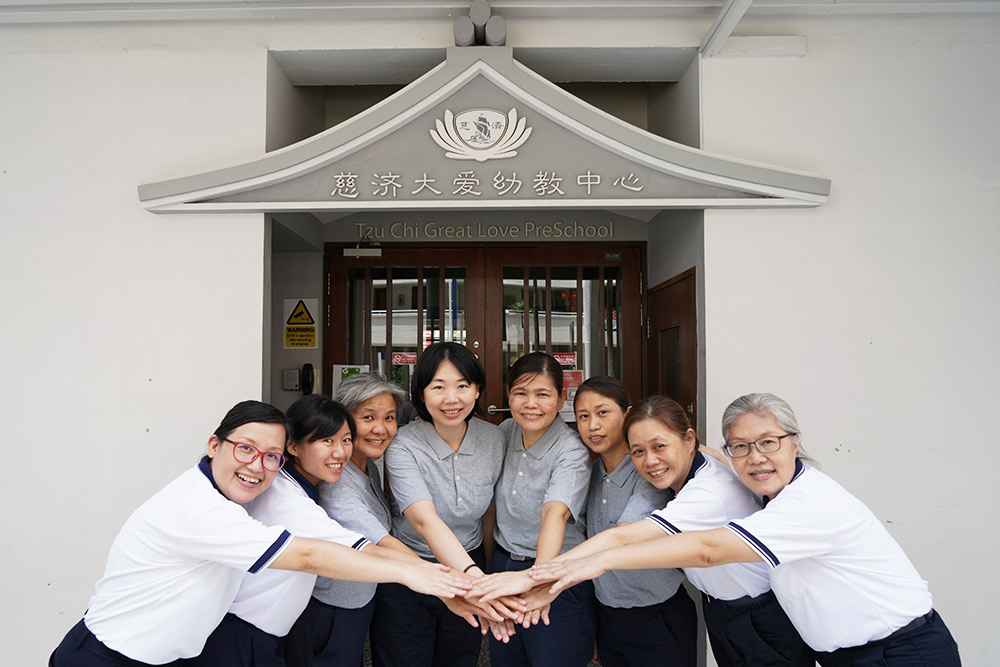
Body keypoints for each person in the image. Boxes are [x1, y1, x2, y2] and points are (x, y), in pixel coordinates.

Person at [526, 393, 962, 667]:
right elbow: (712, 457)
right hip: (808, 639)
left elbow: (705, 550)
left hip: (894, 650)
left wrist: (552, 574)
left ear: (795, 441)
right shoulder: (743, 476)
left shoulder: (804, 502)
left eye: (768, 442)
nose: (755, 457)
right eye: (741, 446)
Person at [50, 400, 471, 667]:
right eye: (245, 449)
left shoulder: (249, 491)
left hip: (164, 654)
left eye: (270, 456)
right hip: (107, 655)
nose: (256, 466)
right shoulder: (200, 508)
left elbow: (354, 545)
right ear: (214, 444)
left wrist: (442, 580)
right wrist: (427, 578)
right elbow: (309, 555)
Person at [474, 394, 812, 667]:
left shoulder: (707, 491)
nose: (649, 461)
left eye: (659, 447)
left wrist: (535, 578)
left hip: (757, 614)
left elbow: (623, 537)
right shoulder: (698, 465)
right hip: (721, 609)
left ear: (688, 438)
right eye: (638, 451)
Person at [376, 342, 508, 667]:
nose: (452, 399)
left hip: (470, 560)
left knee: (459, 656)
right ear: (421, 394)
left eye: (462, 386)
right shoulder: (403, 444)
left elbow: (490, 512)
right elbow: (424, 520)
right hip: (411, 567)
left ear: (477, 390)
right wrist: (474, 577)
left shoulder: (494, 439)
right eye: (438, 387)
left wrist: (484, 568)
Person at [282, 373, 411, 667]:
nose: (380, 429)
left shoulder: (366, 466)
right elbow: (380, 543)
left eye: (390, 418)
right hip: (330, 608)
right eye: (368, 417)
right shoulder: (336, 480)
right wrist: (450, 581)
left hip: (356, 599)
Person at [573, 378, 696, 667]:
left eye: (603, 413)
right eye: (583, 416)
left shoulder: (649, 469)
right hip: (608, 615)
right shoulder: (589, 473)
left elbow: (624, 536)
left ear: (627, 415)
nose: (593, 426)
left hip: (659, 615)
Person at [488, 352, 594, 667]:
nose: (530, 404)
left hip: (554, 574)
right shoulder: (506, 431)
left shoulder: (571, 450)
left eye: (542, 394)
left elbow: (554, 514)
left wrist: (540, 583)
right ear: (508, 395)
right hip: (505, 566)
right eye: (520, 393)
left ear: (561, 399)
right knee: (507, 660)